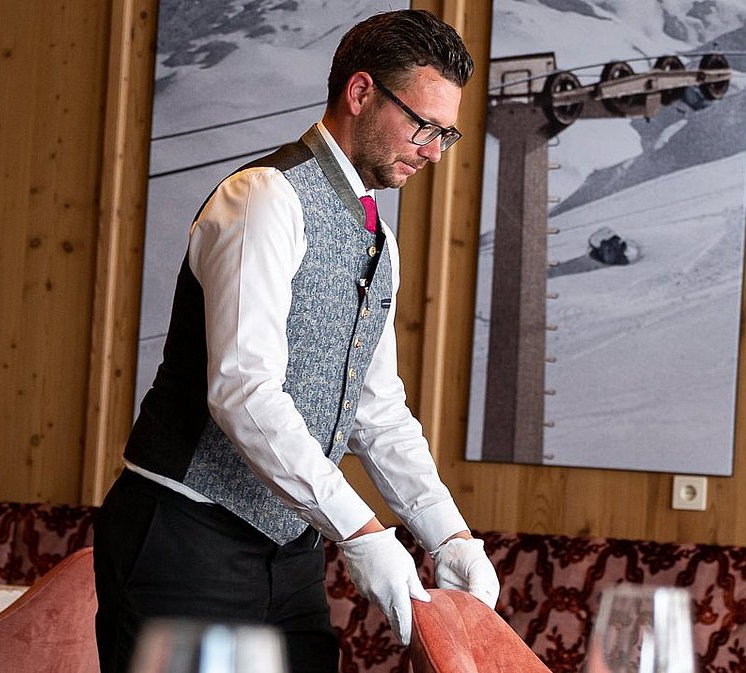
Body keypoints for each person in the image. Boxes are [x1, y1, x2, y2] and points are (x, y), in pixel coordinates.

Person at [95, 10, 496, 673]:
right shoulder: (262, 198)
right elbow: (244, 392)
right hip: (184, 539)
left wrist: (448, 534)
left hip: (290, 554)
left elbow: (377, 411)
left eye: (445, 135)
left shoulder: (378, 238)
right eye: (423, 126)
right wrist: (364, 532)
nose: (433, 152)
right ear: (360, 93)